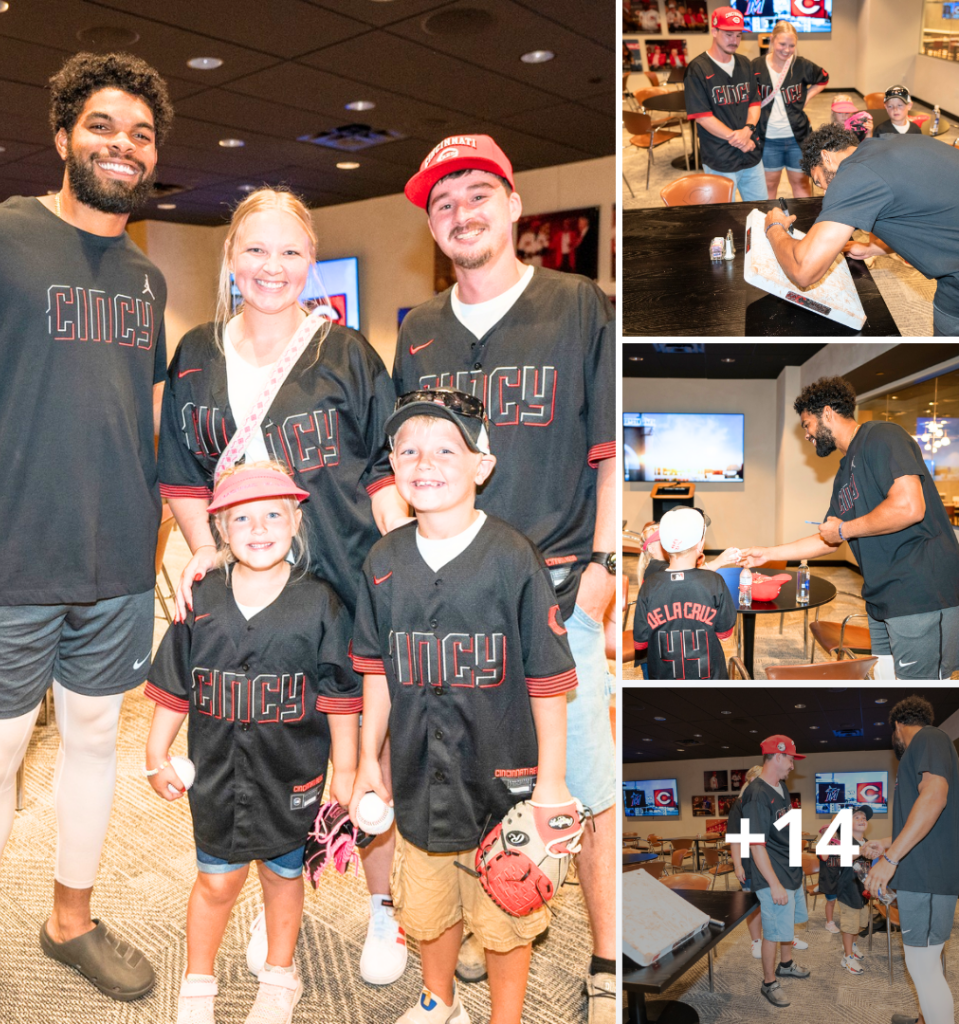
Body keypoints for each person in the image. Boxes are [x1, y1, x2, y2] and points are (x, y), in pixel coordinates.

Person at [0, 52, 172, 1022]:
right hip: (3, 566)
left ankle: (69, 922)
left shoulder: (149, 280)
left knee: (90, 747)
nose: (125, 145)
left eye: (143, 133)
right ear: (65, 136)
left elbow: (145, 422)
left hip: (115, 568)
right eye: (106, 125)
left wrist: (166, 540)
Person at [156, 187, 412, 986]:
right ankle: (255, 903)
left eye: (290, 251)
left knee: (362, 762)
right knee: (252, 745)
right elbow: (182, 474)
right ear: (230, 258)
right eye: (256, 250)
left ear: (310, 260)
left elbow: (381, 469)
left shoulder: (346, 354)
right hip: (245, 592)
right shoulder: (196, 352)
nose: (272, 266)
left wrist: (402, 566)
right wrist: (207, 559)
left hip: (343, 579)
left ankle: (379, 911)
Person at [394, 134, 616, 1021]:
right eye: (443, 203)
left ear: (516, 206)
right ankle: (489, 921)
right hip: (455, 597)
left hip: (562, 587)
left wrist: (604, 564)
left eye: (479, 193)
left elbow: (606, 453)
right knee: (475, 776)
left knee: (581, 791)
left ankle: (604, 962)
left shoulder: (578, 305)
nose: (462, 212)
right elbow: (405, 457)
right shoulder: (417, 328)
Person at [349, 390, 577, 1024]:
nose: (426, 463)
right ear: (392, 467)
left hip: (503, 782)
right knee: (427, 908)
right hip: (421, 777)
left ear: (482, 465)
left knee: (505, 915)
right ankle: (438, 1000)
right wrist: (370, 758)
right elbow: (378, 673)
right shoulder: (383, 562)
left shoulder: (513, 559)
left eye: (447, 448)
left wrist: (553, 784)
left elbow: (549, 680)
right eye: (409, 450)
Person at [145, 462, 361, 1024]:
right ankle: (197, 983)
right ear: (220, 529)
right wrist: (153, 753)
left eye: (273, 514)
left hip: (293, 774)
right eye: (242, 517)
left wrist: (347, 768)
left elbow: (340, 695)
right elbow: (174, 685)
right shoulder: (201, 599)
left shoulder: (321, 604)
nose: (258, 527)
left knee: (284, 875)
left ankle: (280, 976)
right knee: (216, 881)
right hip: (217, 774)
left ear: (296, 521)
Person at [740, 376, 959, 679]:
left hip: (920, 595)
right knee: (886, 685)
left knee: (919, 694)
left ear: (827, 413)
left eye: (806, 425)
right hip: (882, 601)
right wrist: (767, 553)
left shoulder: (883, 436)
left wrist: (844, 530)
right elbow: (827, 538)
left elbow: (909, 507)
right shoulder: (844, 473)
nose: (806, 435)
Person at [762, 122, 959, 335]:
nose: (827, 192)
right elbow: (927, 215)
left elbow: (804, 271)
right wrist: (872, 248)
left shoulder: (853, 175)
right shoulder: (892, 146)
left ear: (826, 157)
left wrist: (774, 228)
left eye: (819, 181)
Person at [862, 695, 959, 1024]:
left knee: (923, 969)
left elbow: (935, 797)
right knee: (926, 965)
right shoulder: (922, 751)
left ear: (898, 726)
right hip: (923, 877)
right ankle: (924, 1018)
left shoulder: (930, 737)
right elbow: (925, 824)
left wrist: (890, 858)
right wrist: (886, 844)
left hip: (928, 879)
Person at [738, 736, 811, 1008]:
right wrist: (775, 884)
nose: (793, 765)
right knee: (772, 931)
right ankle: (769, 982)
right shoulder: (756, 795)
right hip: (772, 875)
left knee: (787, 924)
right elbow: (756, 847)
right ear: (777, 756)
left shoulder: (780, 786)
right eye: (791, 759)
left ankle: (786, 964)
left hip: (788, 870)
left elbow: (783, 828)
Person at [632, 508, 736, 680]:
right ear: (700, 544)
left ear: (664, 546)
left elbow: (640, 642)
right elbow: (724, 634)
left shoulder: (649, 585)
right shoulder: (715, 581)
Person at [684, 6, 765, 203]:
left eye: (738, 35)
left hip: (751, 155)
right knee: (722, 219)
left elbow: (754, 103)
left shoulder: (745, 63)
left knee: (763, 209)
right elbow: (702, 117)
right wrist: (740, 139)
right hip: (720, 158)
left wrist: (748, 130)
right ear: (714, 31)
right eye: (729, 34)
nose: (734, 41)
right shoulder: (698, 69)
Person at [751, 21, 828, 199]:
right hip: (768, 139)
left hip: (797, 138)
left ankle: (802, 225)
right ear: (771, 40)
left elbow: (823, 78)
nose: (786, 50)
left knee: (801, 185)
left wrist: (806, 98)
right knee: (769, 186)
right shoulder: (755, 66)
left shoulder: (801, 65)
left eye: (792, 45)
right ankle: (769, 225)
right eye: (782, 44)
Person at [817, 804, 875, 974]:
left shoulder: (866, 842)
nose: (862, 820)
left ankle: (853, 945)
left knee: (860, 923)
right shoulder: (844, 841)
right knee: (850, 925)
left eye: (864, 818)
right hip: (847, 890)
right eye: (856, 817)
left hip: (862, 891)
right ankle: (847, 956)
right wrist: (863, 850)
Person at [726, 766, 765, 958]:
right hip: (748, 863)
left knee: (774, 903)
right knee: (753, 905)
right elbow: (735, 838)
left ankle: (780, 937)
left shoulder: (769, 803)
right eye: (755, 780)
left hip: (769, 862)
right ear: (748, 782)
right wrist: (738, 864)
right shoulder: (739, 805)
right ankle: (756, 941)